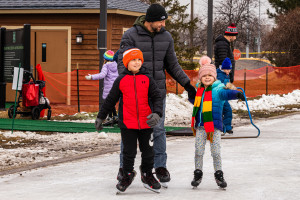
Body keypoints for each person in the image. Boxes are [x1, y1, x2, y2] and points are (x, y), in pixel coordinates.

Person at [116, 3, 196, 186]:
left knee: (158, 130)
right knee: (129, 131)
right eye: (161, 22)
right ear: (150, 20)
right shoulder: (130, 36)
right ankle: (124, 169)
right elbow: (123, 64)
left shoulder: (166, 37)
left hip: (157, 93)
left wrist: (187, 84)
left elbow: (172, 65)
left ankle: (160, 167)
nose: (163, 25)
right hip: (134, 94)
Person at [95, 48, 163, 193]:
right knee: (129, 152)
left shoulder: (147, 78)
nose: (137, 62)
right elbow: (110, 100)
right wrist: (101, 116)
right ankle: (127, 174)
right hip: (127, 123)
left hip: (146, 122)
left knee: (148, 151)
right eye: (133, 60)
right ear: (126, 62)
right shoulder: (121, 80)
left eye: (139, 59)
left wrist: (157, 113)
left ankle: (147, 174)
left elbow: (157, 97)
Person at [188, 56, 245, 189]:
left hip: (214, 127)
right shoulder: (199, 91)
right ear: (200, 78)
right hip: (201, 127)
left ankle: (219, 175)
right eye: (204, 75)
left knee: (216, 152)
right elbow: (195, 103)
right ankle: (198, 173)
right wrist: (191, 95)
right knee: (198, 151)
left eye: (210, 75)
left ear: (214, 77)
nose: (207, 78)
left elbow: (227, 94)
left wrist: (236, 94)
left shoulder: (218, 90)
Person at [85, 50, 119, 122]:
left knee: (109, 102)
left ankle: (112, 117)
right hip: (116, 87)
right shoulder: (117, 65)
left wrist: (92, 77)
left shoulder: (106, 66)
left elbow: (102, 75)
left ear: (105, 59)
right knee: (111, 102)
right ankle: (114, 116)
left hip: (109, 88)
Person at [217, 57, 235, 135]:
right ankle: (222, 127)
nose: (228, 72)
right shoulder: (219, 74)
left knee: (228, 111)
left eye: (229, 70)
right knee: (221, 112)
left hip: (224, 97)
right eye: (227, 70)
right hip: (218, 97)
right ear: (223, 68)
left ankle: (227, 127)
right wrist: (227, 85)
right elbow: (220, 84)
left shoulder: (226, 74)